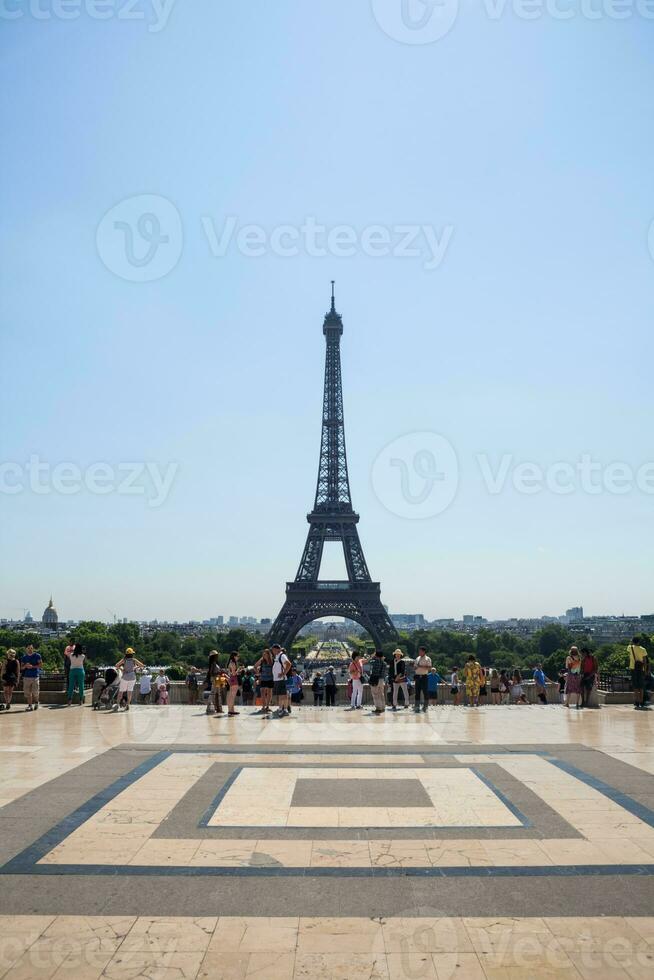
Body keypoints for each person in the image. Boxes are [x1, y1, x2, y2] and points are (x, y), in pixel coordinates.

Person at [628, 637, 649, 710]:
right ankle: (641, 701)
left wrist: (631, 642)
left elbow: (629, 645)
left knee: (635, 686)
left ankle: (636, 701)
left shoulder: (630, 648)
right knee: (641, 686)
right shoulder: (643, 649)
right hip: (641, 669)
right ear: (639, 642)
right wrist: (646, 670)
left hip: (633, 668)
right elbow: (645, 661)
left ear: (633, 642)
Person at [271, 644, 291, 718]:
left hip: (280, 679)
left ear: (277, 649)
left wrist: (283, 673)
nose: (272, 651)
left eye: (273, 650)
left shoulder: (282, 656)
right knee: (282, 695)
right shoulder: (277, 656)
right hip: (277, 679)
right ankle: (283, 709)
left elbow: (288, 664)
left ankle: (282, 709)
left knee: (282, 695)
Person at [21, 644, 42, 711]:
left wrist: (32, 666)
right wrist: (25, 666)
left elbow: (41, 665)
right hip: (26, 677)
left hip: (35, 676)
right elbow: (21, 668)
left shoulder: (37, 656)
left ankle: (36, 703)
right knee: (27, 692)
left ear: (33, 649)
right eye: (28, 648)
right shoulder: (24, 657)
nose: (30, 649)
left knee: (35, 692)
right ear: (26, 649)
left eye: (31, 648)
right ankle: (30, 705)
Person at [254, 648, 274, 715]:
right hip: (263, 678)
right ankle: (263, 706)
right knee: (262, 692)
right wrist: (258, 674)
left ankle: (267, 706)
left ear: (268, 654)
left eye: (265, 654)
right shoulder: (262, 660)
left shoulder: (272, 660)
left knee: (269, 693)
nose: (264, 655)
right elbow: (255, 666)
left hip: (270, 678)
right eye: (264, 654)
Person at [369, 650, 387, 714]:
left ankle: (378, 708)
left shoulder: (375, 661)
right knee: (381, 694)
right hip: (382, 680)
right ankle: (382, 707)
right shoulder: (384, 663)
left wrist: (372, 656)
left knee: (375, 694)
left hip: (375, 679)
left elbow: (369, 662)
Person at [414, 646, 432, 712]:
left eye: (420, 651)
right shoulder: (417, 658)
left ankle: (425, 706)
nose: (419, 652)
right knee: (417, 692)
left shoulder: (428, 659)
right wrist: (415, 667)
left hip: (424, 676)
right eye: (419, 651)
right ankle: (417, 706)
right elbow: (415, 666)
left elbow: (429, 667)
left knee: (425, 692)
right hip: (417, 676)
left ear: (424, 651)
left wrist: (420, 666)